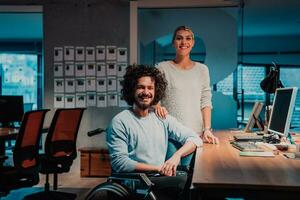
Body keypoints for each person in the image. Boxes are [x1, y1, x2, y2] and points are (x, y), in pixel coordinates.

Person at [106, 65, 202, 200]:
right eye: (141, 87)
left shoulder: (161, 118)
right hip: (135, 180)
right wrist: (158, 168)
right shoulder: (120, 121)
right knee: (184, 182)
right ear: (131, 89)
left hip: (157, 177)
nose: (146, 92)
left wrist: (177, 156)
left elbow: (194, 138)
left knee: (189, 180)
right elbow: (120, 163)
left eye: (150, 88)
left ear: (156, 91)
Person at [155, 25, 219, 144]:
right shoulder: (162, 68)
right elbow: (155, 97)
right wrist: (157, 106)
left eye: (188, 38)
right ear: (173, 42)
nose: (184, 42)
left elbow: (205, 101)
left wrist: (207, 129)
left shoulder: (202, 69)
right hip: (170, 133)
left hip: (196, 133)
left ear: (193, 43)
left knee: (197, 163)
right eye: (179, 38)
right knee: (171, 163)